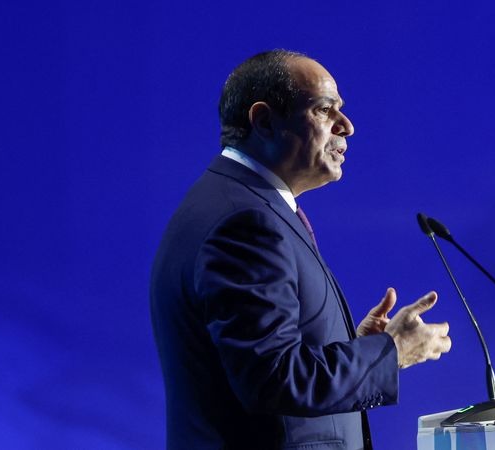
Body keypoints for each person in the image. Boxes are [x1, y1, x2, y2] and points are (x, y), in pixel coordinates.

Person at [150, 49, 452, 450]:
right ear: (264, 121)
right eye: (325, 110)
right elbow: (273, 378)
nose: (347, 126)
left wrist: (354, 347)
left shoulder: (241, 204)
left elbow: (272, 359)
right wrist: (389, 352)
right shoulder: (243, 222)